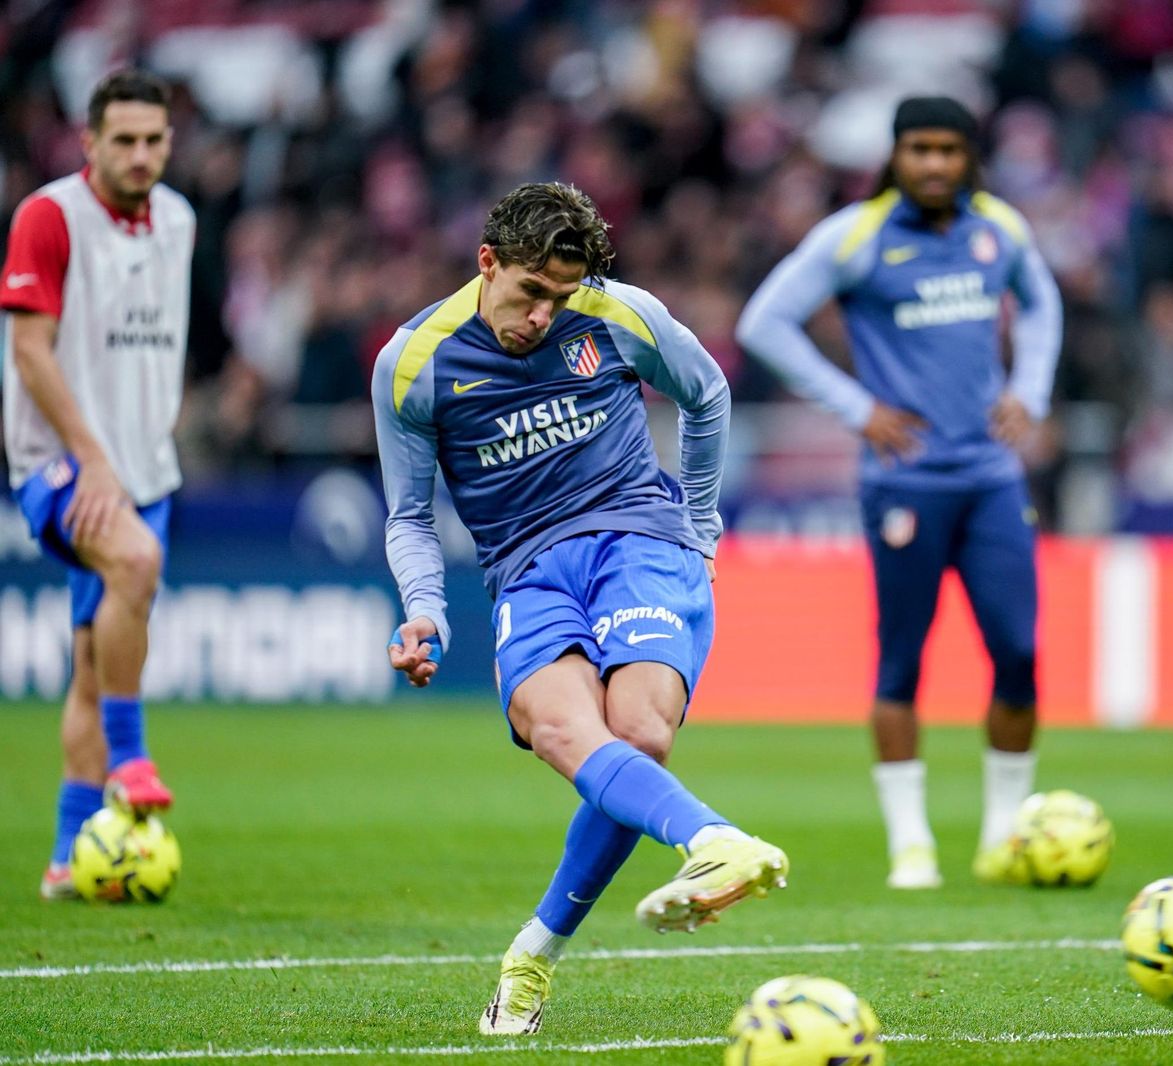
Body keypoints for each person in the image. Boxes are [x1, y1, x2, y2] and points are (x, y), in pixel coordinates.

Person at [373, 182, 788, 1034]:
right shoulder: (413, 363)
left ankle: (670, 870)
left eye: (560, 298)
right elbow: (411, 516)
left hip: (637, 538)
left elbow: (706, 395)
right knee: (569, 735)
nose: (542, 316)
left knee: (639, 735)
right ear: (487, 263)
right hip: (524, 574)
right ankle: (568, 929)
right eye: (530, 293)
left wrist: (701, 530)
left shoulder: (619, 314)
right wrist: (425, 611)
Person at [736, 97, 1063, 890]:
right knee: (901, 662)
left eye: (950, 150)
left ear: (969, 156)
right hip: (905, 480)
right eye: (920, 149)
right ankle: (911, 843)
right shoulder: (855, 235)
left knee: (1018, 655)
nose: (935, 165)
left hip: (990, 477)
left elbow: (1045, 303)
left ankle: (1004, 834)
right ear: (895, 155)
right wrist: (857, 409)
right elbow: (763, 323)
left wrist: (1033, 389)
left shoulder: (999, 229)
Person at [3, 70, 193, 900]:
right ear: (89, 142)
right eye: (124, 140)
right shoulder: (48, 216)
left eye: (154, 140)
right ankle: (132, 756)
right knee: (137, 561)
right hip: (60, 461)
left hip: (144, 466)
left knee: (90, 661)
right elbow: (30, 352)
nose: (140, 154)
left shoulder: (179, 220)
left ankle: (68, 855)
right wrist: (91, 457)